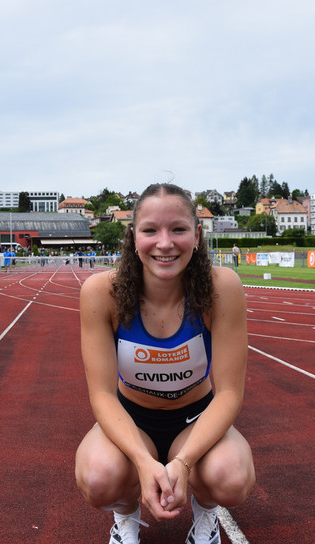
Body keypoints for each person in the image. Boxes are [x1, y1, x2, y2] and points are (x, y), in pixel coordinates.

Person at [75, 183, 255, 544]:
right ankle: (125, 517)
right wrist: (143, 462)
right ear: (133, 237)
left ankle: (206, 513)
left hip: (195, 418)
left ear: (197, 235)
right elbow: (102, 396)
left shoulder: (222, 288)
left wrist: (184, 462)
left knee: (232, 478)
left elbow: (229, 393)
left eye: (178, 229)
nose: (165, 243)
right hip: (132, 419)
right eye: (150, 230)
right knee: (98, 478)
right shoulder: (101, 293)